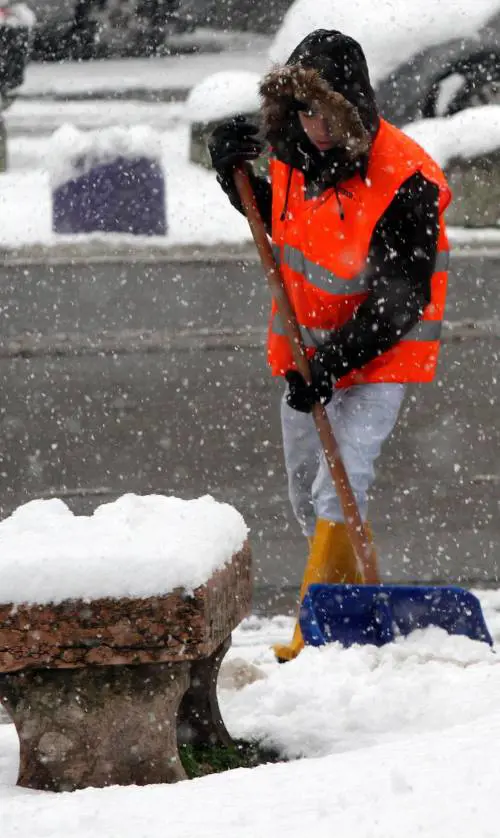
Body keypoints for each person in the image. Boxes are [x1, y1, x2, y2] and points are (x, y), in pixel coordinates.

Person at [208, 29, 452, 662]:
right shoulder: (293, 152)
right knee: (305, 489)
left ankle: (317, 637)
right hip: (306, 347)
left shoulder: (407, 178)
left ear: (355, 107)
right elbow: (280, 225)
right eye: (305, 111)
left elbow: (401, 299)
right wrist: (232, 178)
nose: (317, 126)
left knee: (343, 481)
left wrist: (335, 363)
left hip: (378, 351)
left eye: (328, 112)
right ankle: (343, 601)